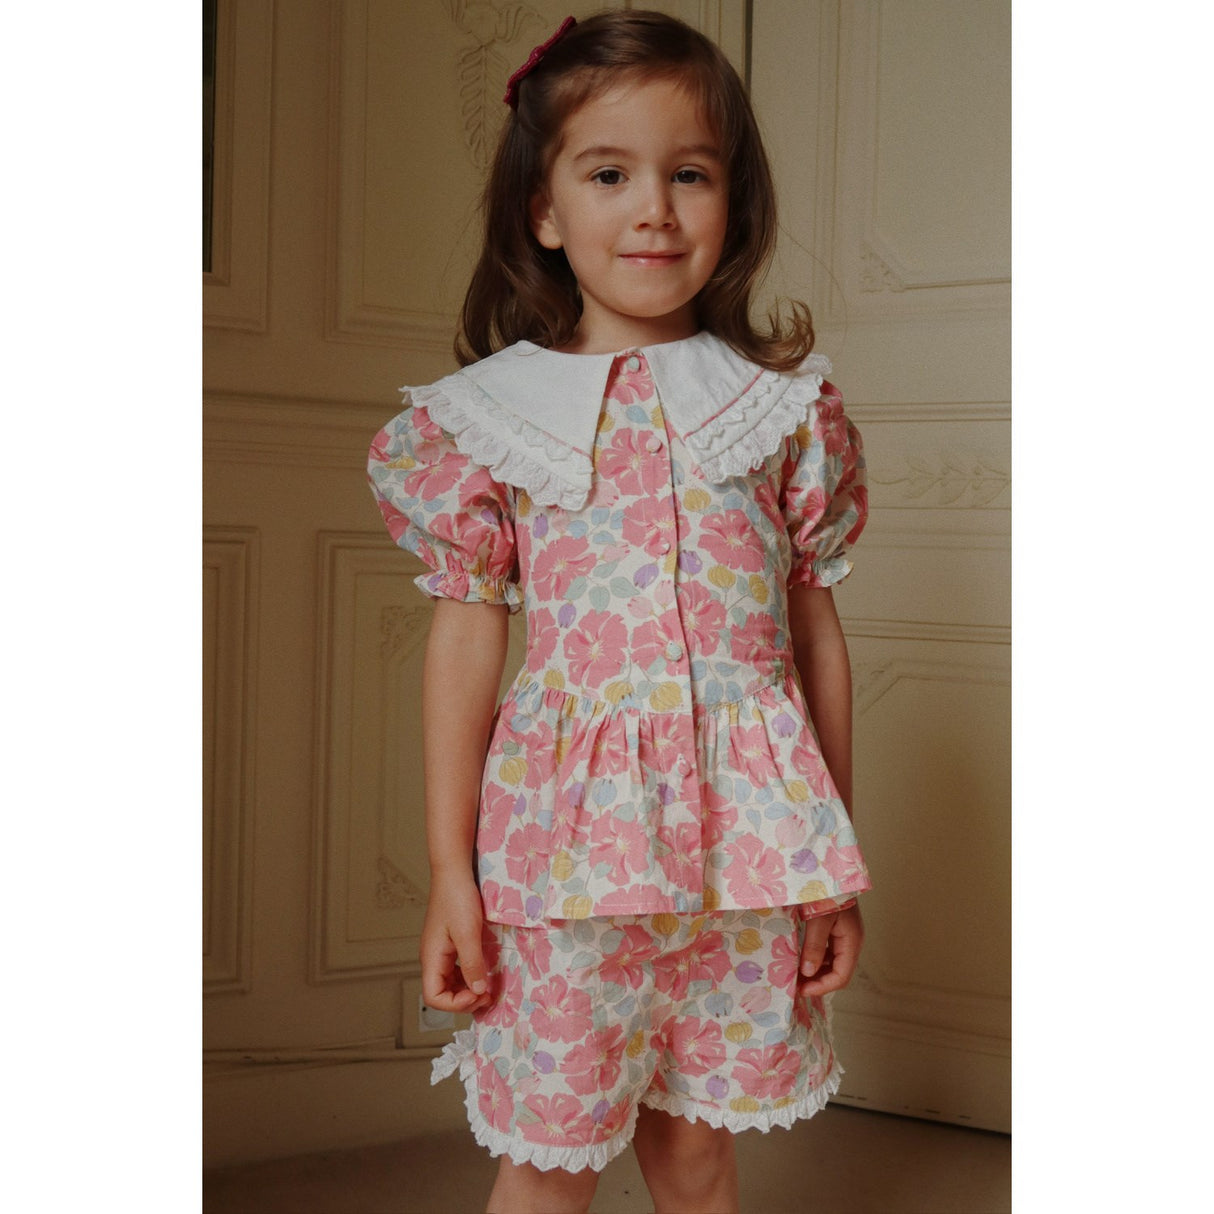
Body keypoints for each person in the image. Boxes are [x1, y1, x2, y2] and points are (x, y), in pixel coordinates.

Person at [367, 11, 870, 1212]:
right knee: (549, 1157)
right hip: (565, 851)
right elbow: (466, 633)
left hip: (749, 850)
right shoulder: (490, 419)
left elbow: (811, 633)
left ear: (732, 202)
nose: (653, 210)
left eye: (688, 174)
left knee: (697, 1151)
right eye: (608, 174)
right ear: (542, 211)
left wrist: (830, 864)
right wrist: (448, 870)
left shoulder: (778, 410)